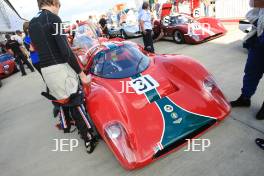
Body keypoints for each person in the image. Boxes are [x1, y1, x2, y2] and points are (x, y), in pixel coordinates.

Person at [29, 0, 97, 152]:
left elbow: (40, 47)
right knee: (76, 101)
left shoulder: (32, 24)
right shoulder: (55, 19)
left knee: (63, 100)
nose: (59, 9)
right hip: (61, 68)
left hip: (47, 70)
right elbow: (65, 52)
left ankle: (72, 126)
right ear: (53, 2)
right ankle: (88, 138)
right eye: (59, 5)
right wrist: (81, 74)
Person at [230, 6, 264, 121]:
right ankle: (245, 98)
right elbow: (254, 3)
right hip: (259, 36)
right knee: (251, 71)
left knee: (251, 71)